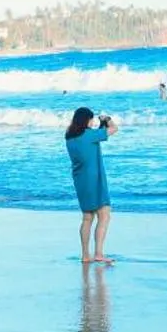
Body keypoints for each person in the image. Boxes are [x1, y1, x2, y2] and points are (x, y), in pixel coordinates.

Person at [64, 107, 115, 264]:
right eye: (91, 119)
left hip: (80, 181)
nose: (92, 122)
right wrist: (106, 119)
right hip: (95, 179)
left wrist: (100, 125)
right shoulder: (89, 135)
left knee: (87, 218)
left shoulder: (70, 137)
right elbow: (114, 129)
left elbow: (93, 141)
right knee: (104, 214)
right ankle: (99, 252)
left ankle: (85, 255)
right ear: (86, 120)